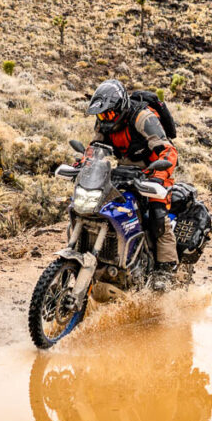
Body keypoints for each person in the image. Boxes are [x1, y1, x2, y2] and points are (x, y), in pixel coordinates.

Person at [85, 79, 178, 276]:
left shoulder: (142, 117)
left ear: (120, 107)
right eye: (101, 114)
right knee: (100, 206)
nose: (105, 118)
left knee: (158, 215)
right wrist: (83, 165)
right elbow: (95, 148)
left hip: (156, 168)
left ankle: (166, 271)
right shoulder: (103, 121)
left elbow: (168, 151)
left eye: (109, 113)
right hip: (126, 169)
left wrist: (159, 178)